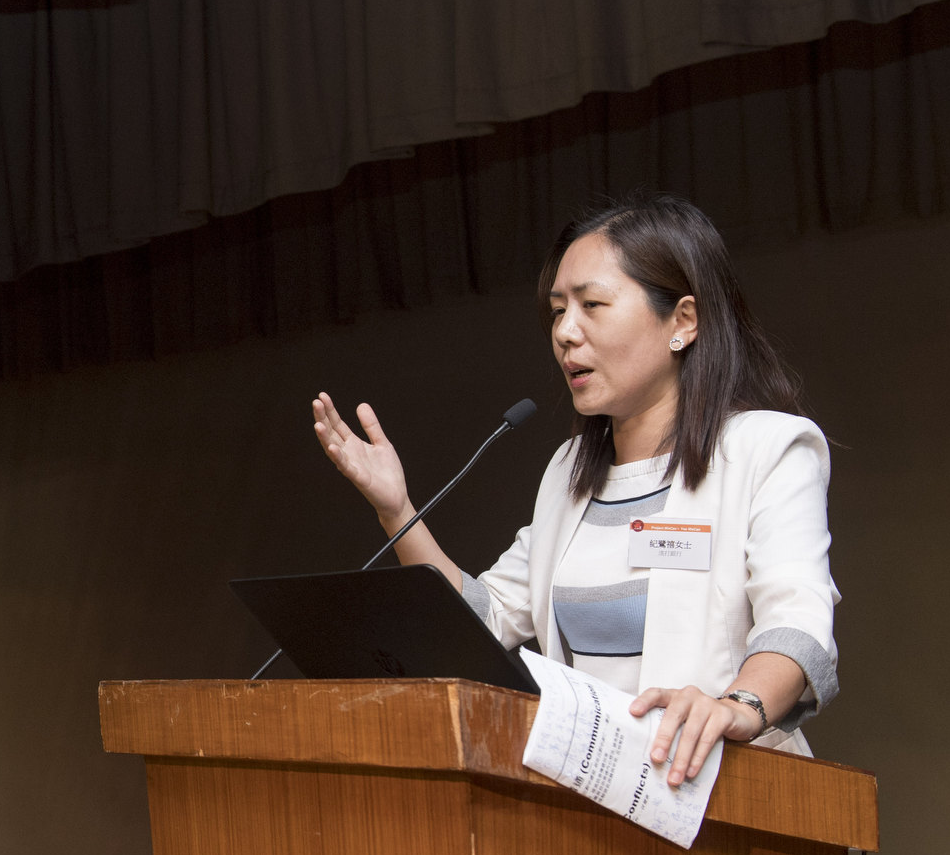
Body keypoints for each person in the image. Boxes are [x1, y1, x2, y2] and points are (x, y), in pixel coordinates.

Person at [311, 192, 838, 787]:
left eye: (593, 305)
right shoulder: (568, 471)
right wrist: (397, 510)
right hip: (601, 798)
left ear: (683, 321)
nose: (565, 332)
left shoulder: (768, 449)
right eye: (558, 310)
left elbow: (796, 621)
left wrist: (739, 706)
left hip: (734, 792)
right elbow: (486, 619)